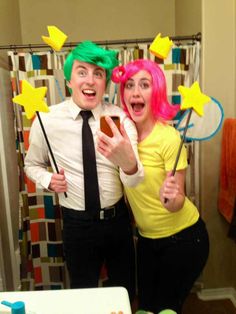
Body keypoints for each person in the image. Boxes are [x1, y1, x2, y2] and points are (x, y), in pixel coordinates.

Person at [24, 41, 144, 301]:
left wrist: (128, 162)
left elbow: (134, 183)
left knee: (123, 293)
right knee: (83, 296)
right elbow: (31, 164)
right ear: (69, 80)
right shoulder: (46, 120)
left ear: (105, 82)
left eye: (98, 73)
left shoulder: (121, 120)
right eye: (82, 71)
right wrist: (47, 180)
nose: (90, 80)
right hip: (77, 224)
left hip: (117, 222)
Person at [98, 59, 209, 314]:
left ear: (156, 92)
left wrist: (170, 197)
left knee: (166, 309)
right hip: (147, 241)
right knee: (145, 308)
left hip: (184, 238)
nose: (135, 92)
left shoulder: (168, 137)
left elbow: (177, 201)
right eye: (129, 85)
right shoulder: (120, 134)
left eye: (144, 85)